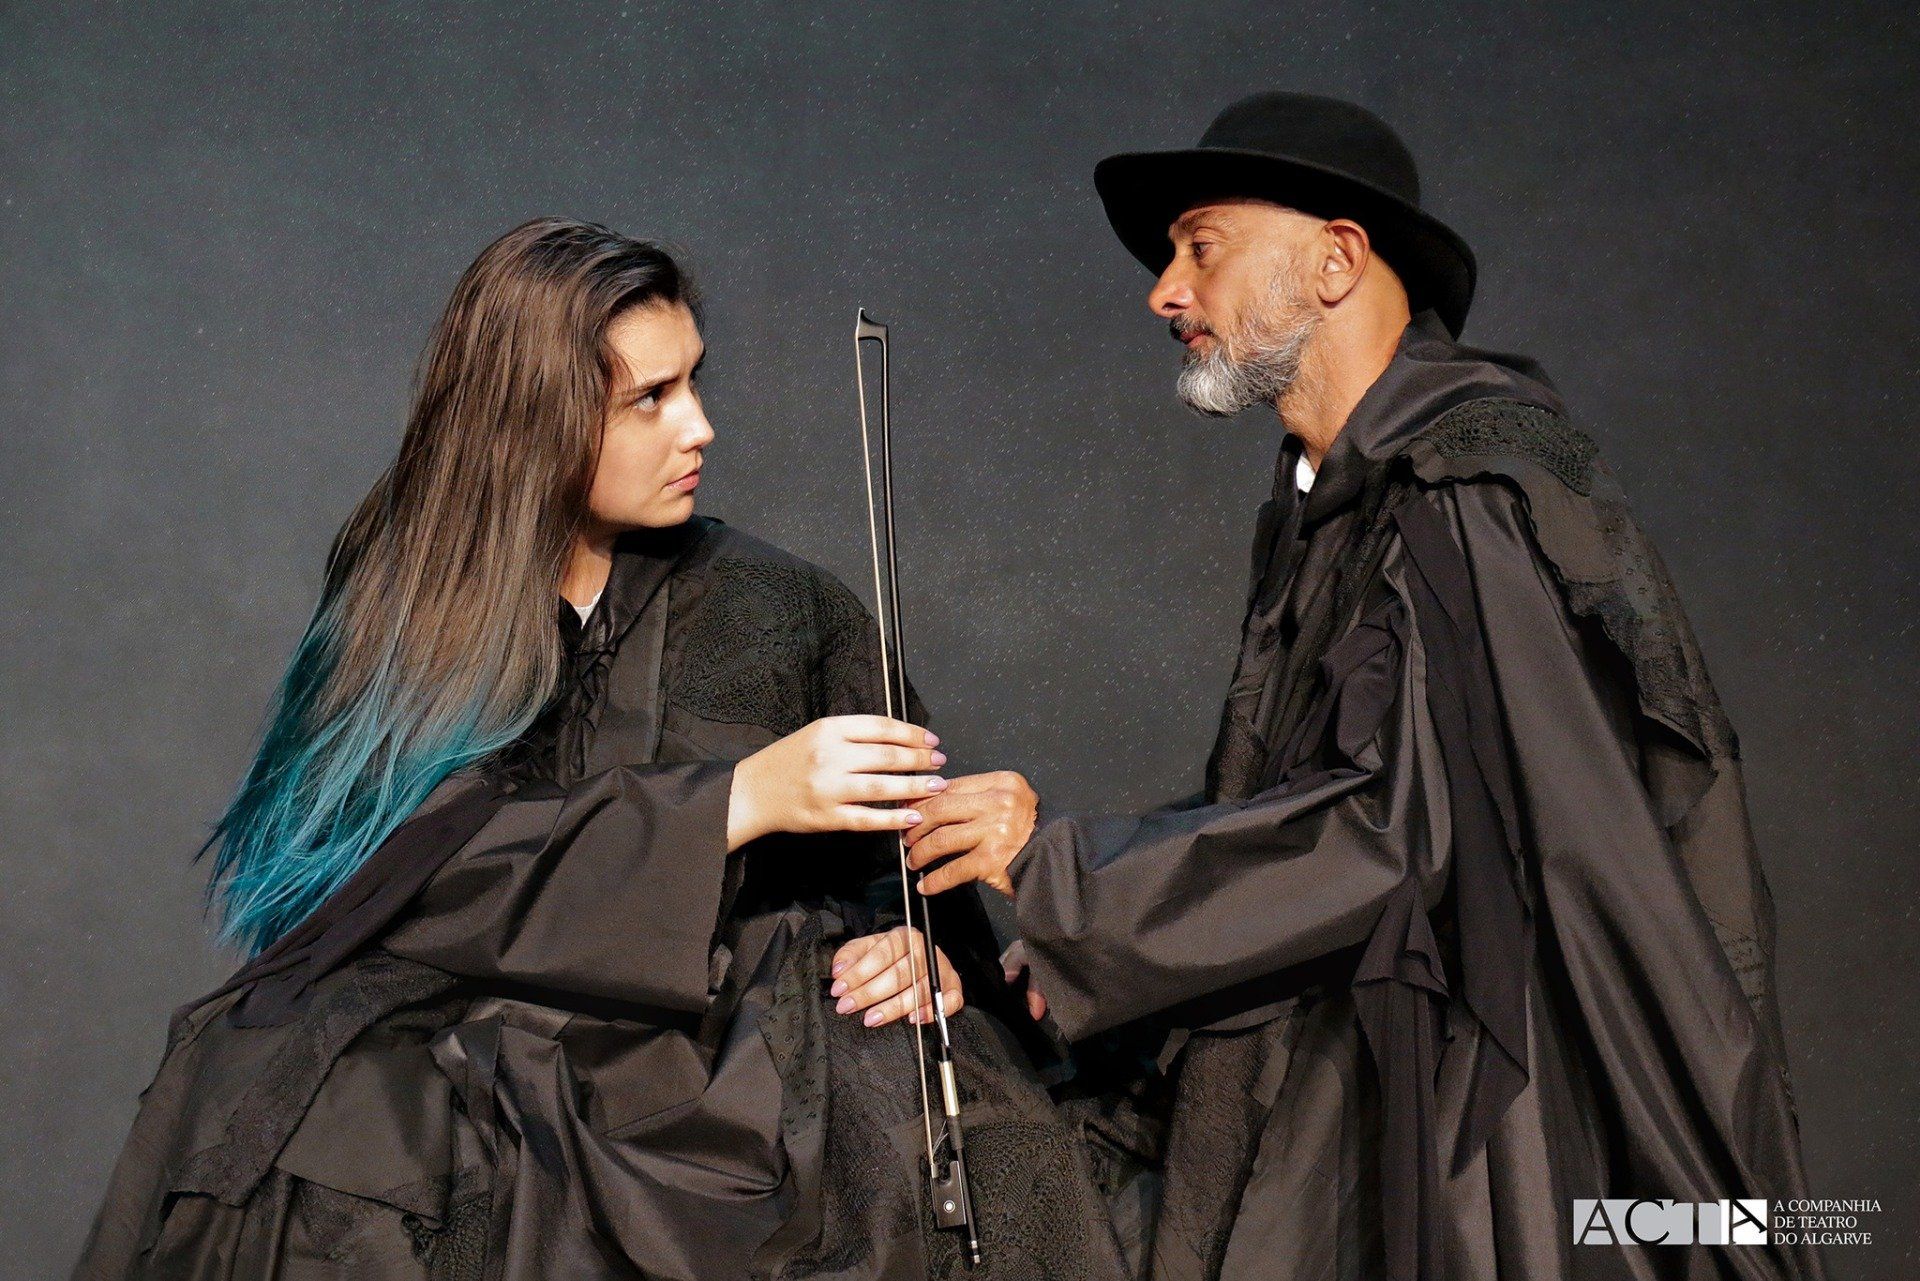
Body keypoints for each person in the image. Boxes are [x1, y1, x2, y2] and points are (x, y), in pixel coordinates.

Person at [73, 218, 1128, 1280]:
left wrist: (916, 950)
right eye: (650, 399)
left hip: (734, 1057)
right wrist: (736, 800)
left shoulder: (785, 606)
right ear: (531, 416)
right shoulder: (406, 593)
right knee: (305, 1116)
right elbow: (408, 865)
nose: (701, 427)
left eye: (695, 382)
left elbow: (905, 883)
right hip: (469, 1051)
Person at [890, 92, 1823, 1279]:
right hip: (1336, 1085)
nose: (1164, 292)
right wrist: (1062, 929)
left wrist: (1068, 871)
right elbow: (1294, 799)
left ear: (1336, 260)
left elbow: (1403, 833)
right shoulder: (1328, 504)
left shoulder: (1464, 491)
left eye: (1201, 247)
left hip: (1474, 1121)